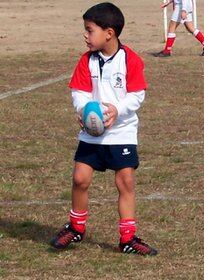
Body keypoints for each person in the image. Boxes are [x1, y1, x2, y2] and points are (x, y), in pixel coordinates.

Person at [50, 2, 158, 256]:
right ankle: (76, 227)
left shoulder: (131, 60)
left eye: (90, 30)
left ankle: (128, 238)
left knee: (126, 182)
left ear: (109, 33)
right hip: (92, 133)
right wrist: (84, 111)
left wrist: (116, 111)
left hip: (122, 132)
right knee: (80, 178)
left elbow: (137, 95)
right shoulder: (86, 61)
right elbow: (79, 92)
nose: (85, 36)